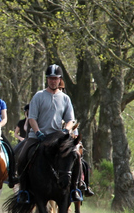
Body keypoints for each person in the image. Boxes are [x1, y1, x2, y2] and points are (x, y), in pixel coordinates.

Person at [22, 64, 93, 198]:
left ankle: (75, 189)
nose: (53, 81)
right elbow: (32, 118)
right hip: (38, 136)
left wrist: (66, 131)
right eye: (50, 78)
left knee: (76, 155)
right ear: (47, 79)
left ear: (60, 79)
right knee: (23, 155)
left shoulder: (65, 98)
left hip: (57, 137)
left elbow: (70, 120)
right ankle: (23, 191)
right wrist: (38, 132)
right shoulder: (38, 96)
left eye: (55, 78)